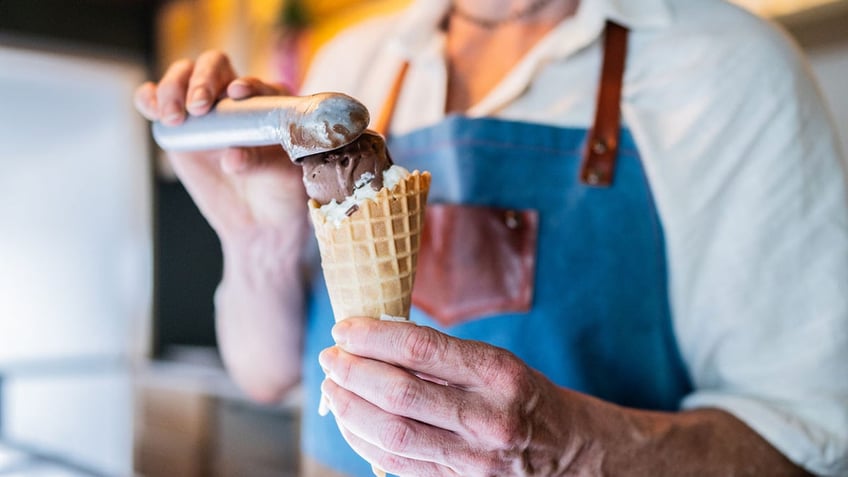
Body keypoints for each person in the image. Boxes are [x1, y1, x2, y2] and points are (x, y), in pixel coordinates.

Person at [134, 0, 848, 475]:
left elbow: (810, 443)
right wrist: (256, 237)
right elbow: (267, 373)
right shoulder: (349, 65)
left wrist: (569, 448)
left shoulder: (729, 69)